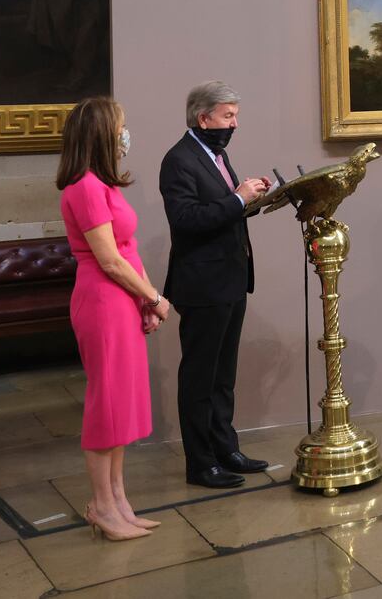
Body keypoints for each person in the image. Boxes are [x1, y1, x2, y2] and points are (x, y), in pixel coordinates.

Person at [57, 96, 168, 542]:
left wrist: (144, 301)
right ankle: (102, 506)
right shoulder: (83, 187)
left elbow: (128, 249)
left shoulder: (105, 184)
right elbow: (108, 261)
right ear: (102, 133)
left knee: (121, 404)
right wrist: (156, 298)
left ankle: (119, 500)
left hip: (122, 301)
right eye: (121, 125)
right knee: (107, 405)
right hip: (102, 302)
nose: (126, 133)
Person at [160, 81, 272, 488]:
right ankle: (201, 462)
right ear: (202, 117)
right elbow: (187, 220)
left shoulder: (216, 153)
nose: (234, 124)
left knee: (224, 375)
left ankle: (227, 449)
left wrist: (252, 199)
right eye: (227, 116)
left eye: (235, 115)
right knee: (200, 377)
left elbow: (223, 212)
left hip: (231, 278)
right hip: (203, 284)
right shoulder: (179, 160)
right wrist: (238, 199)